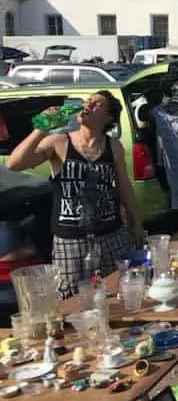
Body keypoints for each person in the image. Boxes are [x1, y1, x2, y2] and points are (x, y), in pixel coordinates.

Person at [6, 91, 144, 298]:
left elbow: (124, 187)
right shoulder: (58, 142)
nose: (88, 104)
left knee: (118, 291)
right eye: (87, 101)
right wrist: (41, 129)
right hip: (70, 240)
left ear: (108, 117)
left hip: (111, 234)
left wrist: (137, 224)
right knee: (71, 297)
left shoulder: (114, 147)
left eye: (97, 104)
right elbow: (14, 164)